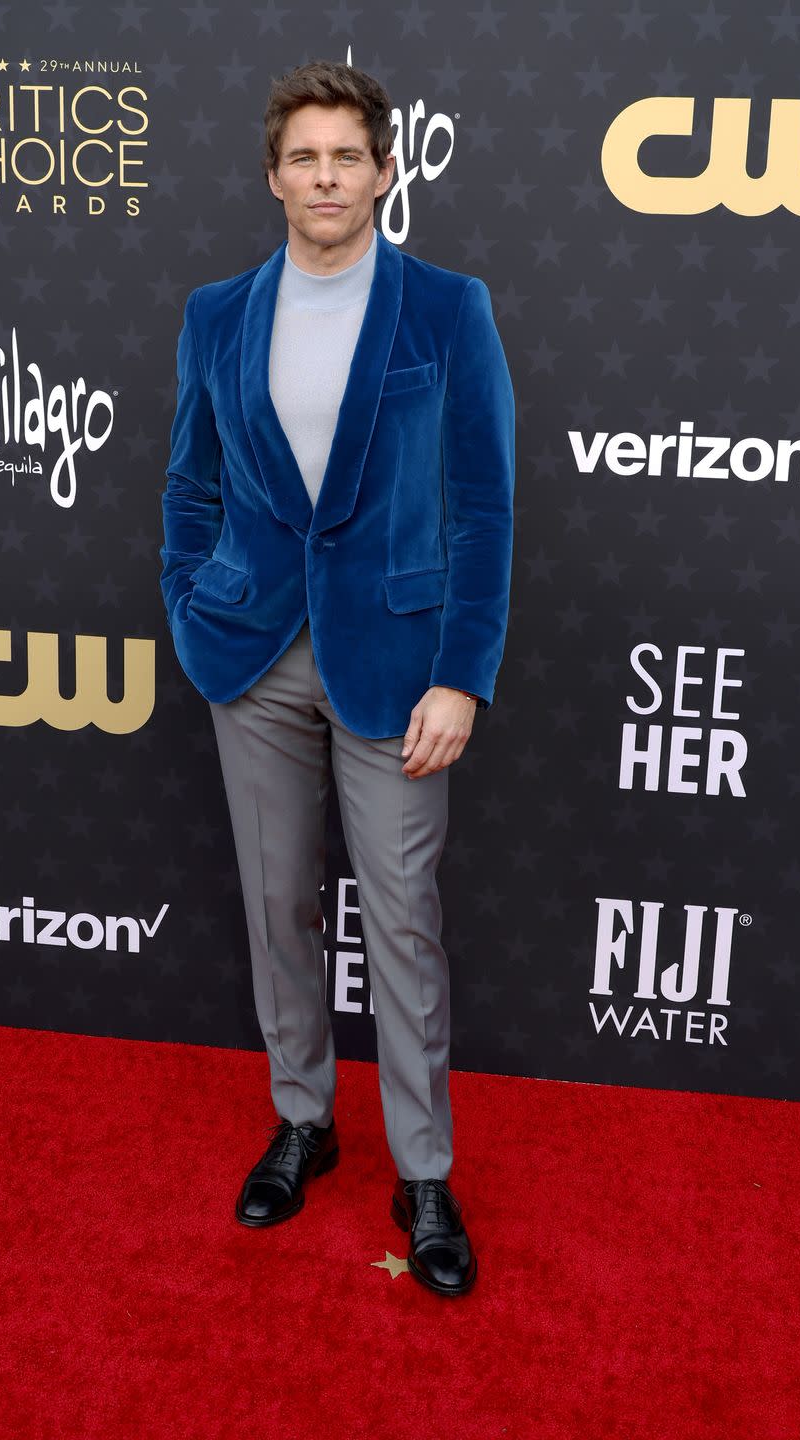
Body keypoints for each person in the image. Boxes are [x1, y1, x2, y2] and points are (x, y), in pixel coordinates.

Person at [159, 59, 515, 1297]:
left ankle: (425, 1175)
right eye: (303, 157)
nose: (325, 176)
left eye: (347, 157)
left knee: (403, 921)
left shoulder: (446, 308)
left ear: (384, 171)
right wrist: (187, 605)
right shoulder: (216, 313)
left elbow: (484, 503)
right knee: (277, 907)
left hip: (398, 661)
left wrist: (463, 673)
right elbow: (189, 486)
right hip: (251, 653)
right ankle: (303, 1122)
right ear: (274, 176)